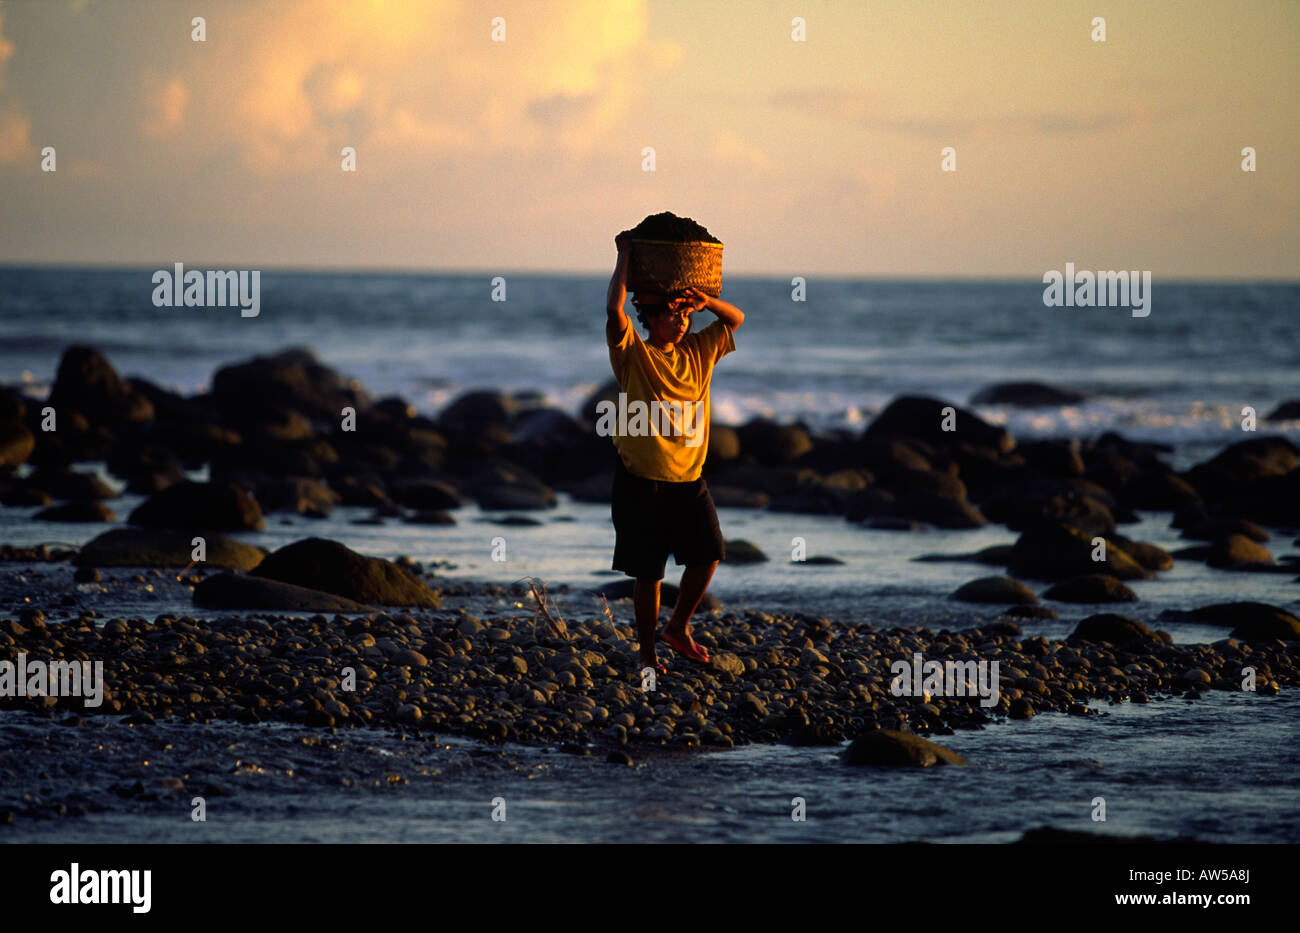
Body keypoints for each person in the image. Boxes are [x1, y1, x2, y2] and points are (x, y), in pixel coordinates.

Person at [604, 236, 745, 674]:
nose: (681, 323)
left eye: (685, 316)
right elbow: (614, 310)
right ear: (649, 318)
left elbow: (736, 319)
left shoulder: (699, 352)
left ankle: (678, 627)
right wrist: (625, 256)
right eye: (672, 315)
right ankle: (646, 654)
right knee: (649, 575)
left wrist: (705, 300)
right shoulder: (633, 355)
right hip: (641, 480)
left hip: (689, 479)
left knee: (709, 554)